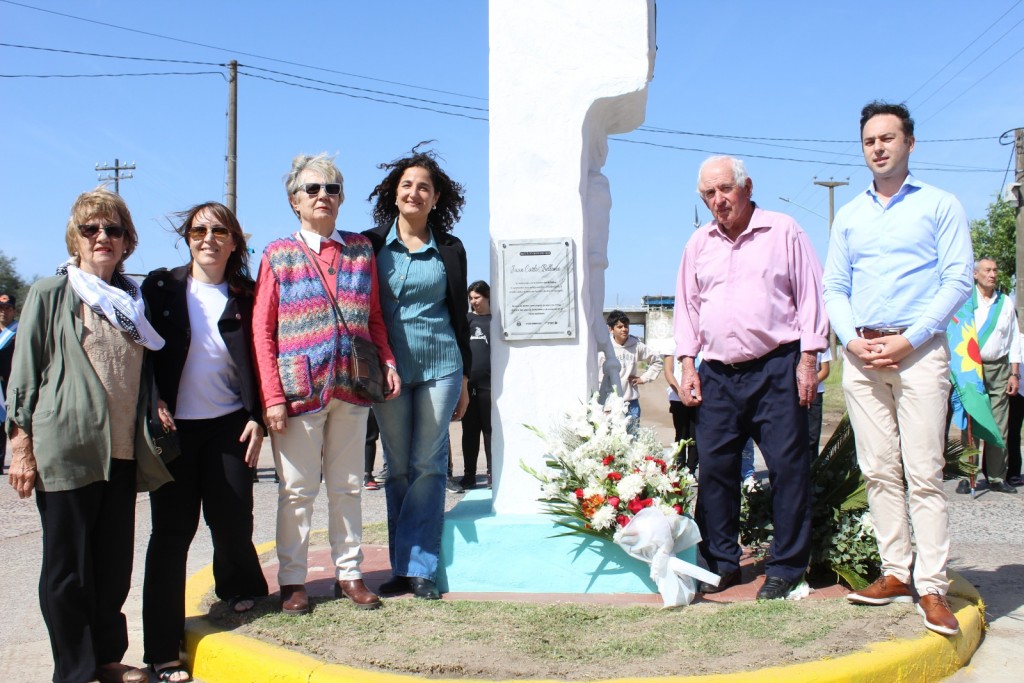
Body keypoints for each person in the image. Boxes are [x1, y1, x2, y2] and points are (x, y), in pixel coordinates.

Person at [5, 187, 170, 683]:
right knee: (68, 568)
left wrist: (156, 399)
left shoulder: (133, 302)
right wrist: (20, 446)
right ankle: (74, 670)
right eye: (91, 229)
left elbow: (140, 370)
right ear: (74, 238)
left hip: (120, 450)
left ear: (127, 242)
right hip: (67, 447)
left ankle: (106, 658)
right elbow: (24, 373)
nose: (102, 237)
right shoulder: (51, 293)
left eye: (112, 229)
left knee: (112, 565)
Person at [822, 101, 973, 636]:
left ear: (910, 143)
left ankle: (931, 587)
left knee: (925, 473)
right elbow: (834, 287)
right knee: (878, 470)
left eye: (887, 138)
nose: (878, 148)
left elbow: (957, 279)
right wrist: (850, 341)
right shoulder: (850, 215)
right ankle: (894, 573)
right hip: (862, 357)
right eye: (869, 141)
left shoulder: (940, 205)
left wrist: (910, 339)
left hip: (919, 351)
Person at [674, 155, 828, 601]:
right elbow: (688, 307)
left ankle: (785, 567)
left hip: (777, 367)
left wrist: (809, 359)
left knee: (787, 470)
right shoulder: (698, 243)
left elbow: (811, 296)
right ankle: (721, 562)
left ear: (747, 187)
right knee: (715, 471)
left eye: (725, 189)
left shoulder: (784, 230)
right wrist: (687, 364)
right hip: (717, 375)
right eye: (709, 193)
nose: (718, 200)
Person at [253, 153, 400, 615]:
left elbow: (374, 317)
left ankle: (349, 573)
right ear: (294, 201)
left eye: (331, 189)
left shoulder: (360, 251)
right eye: (312, 189)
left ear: (341, 198)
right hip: (299, 390)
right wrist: (272, 396)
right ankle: (292, 580)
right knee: (297, 490)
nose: (323, 196)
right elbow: (262, 330)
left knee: (348, 486)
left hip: (352, 387)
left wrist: (387, 361)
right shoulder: (278, 254)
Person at [140, 202, 270, 682]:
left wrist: (258, 417)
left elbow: (264, 355)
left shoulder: (248, 294)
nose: (208, 239)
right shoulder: (162, 287)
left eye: (219, 231)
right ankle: (161, 649)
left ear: (235, 242)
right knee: (171, 534)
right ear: (187, 238)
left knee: (232, 517)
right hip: (175, 429)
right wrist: (153, 398)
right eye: (198, 231)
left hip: (229, 424)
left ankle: (239, 587)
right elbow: (141, 352)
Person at [363, 147, 471, 601]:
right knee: (397, 467)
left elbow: (459, 314)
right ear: (394, 193)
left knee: (429, 464)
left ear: (436, 197)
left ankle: (419, 568)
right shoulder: (369, 245)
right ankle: (401, 564)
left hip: (441, 366)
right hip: (388, 371)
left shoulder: (450, 248)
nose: (414, 192)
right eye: (406, 185)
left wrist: (465, 379)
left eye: (424, 187)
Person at [955, 257, 1019, 494]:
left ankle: (996, 476)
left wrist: (1014, 373)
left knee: (999, 424)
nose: (992, 274)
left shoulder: (1005, 302)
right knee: (971, 422)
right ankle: (967, 475)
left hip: (999, 368)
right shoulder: (965, 301)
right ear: (975, 274)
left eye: (995, 270)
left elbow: (1013, 339)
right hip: (971, 368)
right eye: (987, 270)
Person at [598, 310, 663, 424]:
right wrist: (605, 405)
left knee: (633, 434)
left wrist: (644, 378)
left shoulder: (636, 345)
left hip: (631, 404)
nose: (624, 329)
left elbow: (657, 361)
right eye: (620, 327)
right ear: (611, 329)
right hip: (610, 404)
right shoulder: (604, 348)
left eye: (626, 326)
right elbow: (599, 377)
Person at [460, 280, 493, 489]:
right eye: (471, 298)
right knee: (469, 431)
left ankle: (492, 472)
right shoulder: (467, 320)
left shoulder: (495, 321)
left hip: (489, 385)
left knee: (490, 430)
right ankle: (469, 474)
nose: (473, 302)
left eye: (477, 297)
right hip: (468, 385)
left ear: (487, 296)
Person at [664, 350, 698, 474]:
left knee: (695, 435)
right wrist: (679, 392)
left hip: (697, 397)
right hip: (678, 398)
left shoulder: (701, 343)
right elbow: (668, 371)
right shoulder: (671, 345)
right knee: (681, 434)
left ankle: (691, 470)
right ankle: (679, 468)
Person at [0, 292, 17, 469]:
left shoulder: (19, 331)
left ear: (13, 311)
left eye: (7, 308)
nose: (3, 311)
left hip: (10, 383)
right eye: (1, 308)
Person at [808, 348, 833, 456]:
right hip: (792, 393)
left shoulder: (821, 344)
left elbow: (825, 370)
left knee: (812, 436)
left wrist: (808, 385)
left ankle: (812, 464)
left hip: (815, 393)